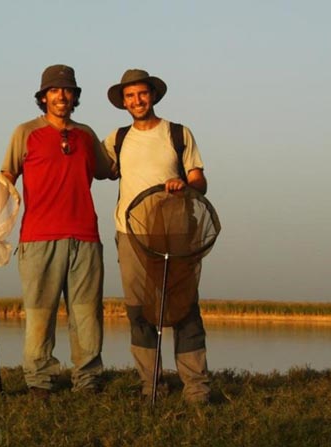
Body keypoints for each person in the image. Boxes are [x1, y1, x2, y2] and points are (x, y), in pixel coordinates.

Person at [1, 64, 115, 398]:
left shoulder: (86, 134)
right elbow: (6, 179)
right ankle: (40, 380)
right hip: (38, 238)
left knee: (87, 315)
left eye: (67, 90)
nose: (61, 96)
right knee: (39, 313)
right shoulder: (25, 132)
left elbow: (110, 170)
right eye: (54, 90)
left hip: (85, 237)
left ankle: (88, 379)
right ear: (43, 96)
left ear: (75, 96)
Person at [102, 69, 211, 404]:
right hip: (130, 234)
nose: (137, 101)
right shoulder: (116, 139)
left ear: (153, 96)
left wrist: (185, 185)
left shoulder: (177, 133)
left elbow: (200, 181)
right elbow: (95, 169)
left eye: (142, 94)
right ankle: (151, 386)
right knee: (139, 313)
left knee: (185, 310)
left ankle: (196, 389)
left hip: (176, 233)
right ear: (123, 102)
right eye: (130, 96)